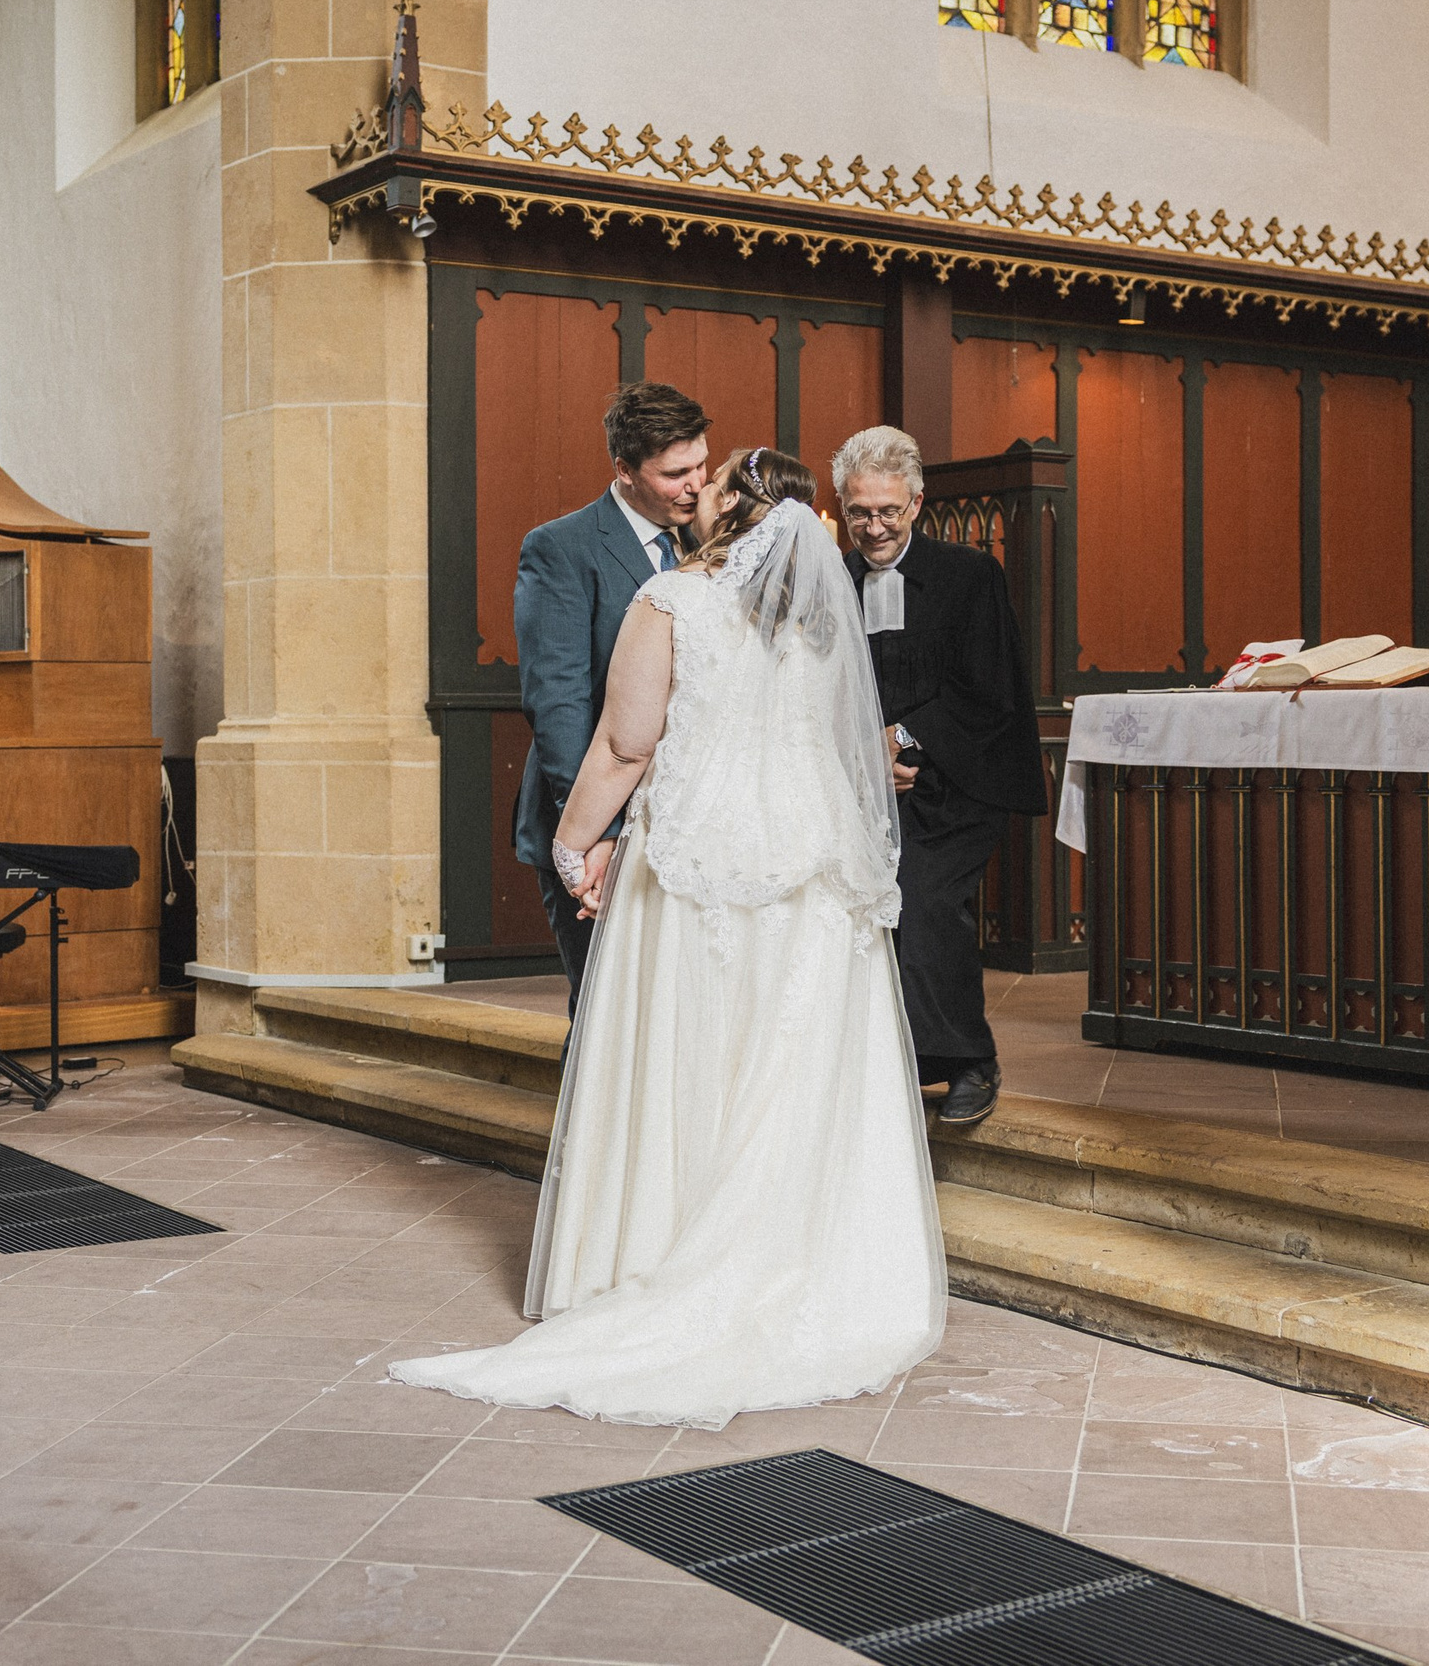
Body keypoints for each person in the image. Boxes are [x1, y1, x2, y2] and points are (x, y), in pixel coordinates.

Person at [392, 448, 945, 1429]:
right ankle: (816, 1262)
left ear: (734, 509)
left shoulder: (670, 603)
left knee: (687, 1055)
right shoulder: (824, 624)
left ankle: (653, 1255)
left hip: (696, 866)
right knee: (795, 1066)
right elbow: (857, 751)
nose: (693, 492)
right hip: (810, 874)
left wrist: (573, 849)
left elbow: (622, 745)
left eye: (712, 482)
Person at [835, 426, 1048, 1127]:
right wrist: (859, 754)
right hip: (859, 789)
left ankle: (969, 1061)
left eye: (888, 511)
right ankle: (896, 1060)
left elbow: (988, 687)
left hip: (954, 784)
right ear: (841, 506)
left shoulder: (968, 576)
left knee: (921, 895)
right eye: (860, 511)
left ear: (917, 502)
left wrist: (901, 737)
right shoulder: (832, 579)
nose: (875, 527)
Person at [511, 382, 711, 1012]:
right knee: (607, 1012)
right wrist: (598, 831)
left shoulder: (710, 542)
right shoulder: (562, 548)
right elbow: (560, 700)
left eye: (702, 464)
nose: (697, 485)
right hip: (599, 821)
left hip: (689, 824)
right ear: (624, 471)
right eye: (675, 473)